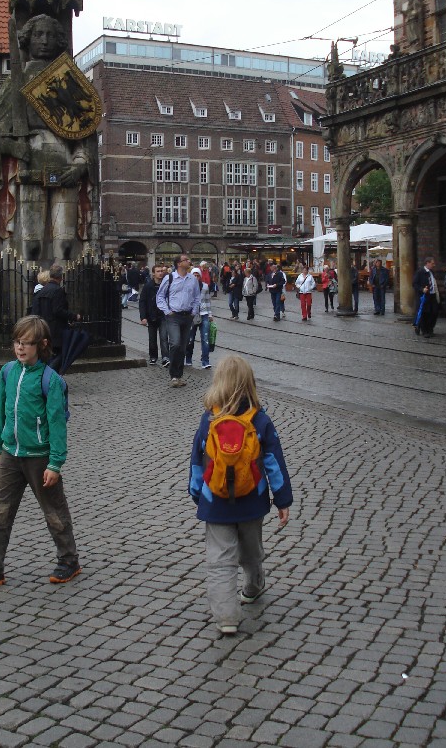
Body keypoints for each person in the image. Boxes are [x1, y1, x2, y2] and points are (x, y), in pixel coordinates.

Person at [0, 315, 80, 592]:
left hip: (40, 457)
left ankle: (69, 559)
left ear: (42, 345)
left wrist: (55, 463)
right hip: (10, 454)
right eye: (17, 342)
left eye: (27, 343)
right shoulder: (7, 372)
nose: (20, 348)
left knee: (54, 512)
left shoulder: (51, 381)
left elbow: (57, 423)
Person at [188, 355, 292, 635]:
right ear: (249, 383)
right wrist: (282, 500)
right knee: (252, 550)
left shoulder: (209, 418)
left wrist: (197, 492)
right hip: (252, 501)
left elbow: (198, 460)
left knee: (220, 561)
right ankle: (254, 586)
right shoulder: (259, 419)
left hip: (215, 502)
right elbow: (273, 461)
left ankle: (227, 617)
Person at [0, 14, 96, 263]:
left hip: (65, 168)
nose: (45, 41)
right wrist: (14, 147)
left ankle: (62, 286)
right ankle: (31, 288)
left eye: (50, 35)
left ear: (59, 41)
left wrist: (79, 167)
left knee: (66, 245)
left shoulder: (68, 82)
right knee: (32, 245)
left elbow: (83, 136)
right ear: (28, 40)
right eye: (38, 35)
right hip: (30, 170)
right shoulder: (18, 82)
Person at [156, 253, 200, 388]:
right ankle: (173, 375)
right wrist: (167, 311)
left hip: (187, 317)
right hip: (173, 316)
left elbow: (197, 297)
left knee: (183, 347)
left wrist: (193, 312)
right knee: (175, 343)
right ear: (179, 264)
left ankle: (178, 375)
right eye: (186, 260)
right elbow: (160, 296)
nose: (189, 261)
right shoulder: (169, 278)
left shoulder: (192, 279)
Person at [31, 263, 80, 365]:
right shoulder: (57, 290)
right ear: (61, 277)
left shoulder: (43, 290)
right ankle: (51, 375)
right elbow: (58, 310)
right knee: (59, 356)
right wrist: (74, 316)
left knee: (49, 355)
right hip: (56, 330)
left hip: (44, 328)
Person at [139, 263, 169, 365]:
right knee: (152, 338)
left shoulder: (166, 285)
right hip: (151, 315)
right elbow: (142, 301)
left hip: (163, 315)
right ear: (153, 273)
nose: (160, 273)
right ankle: (153, 356)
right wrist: (143, 317)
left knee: (164, 337)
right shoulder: (148, 286)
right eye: (158, 271)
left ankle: (165, 357)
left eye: (162, 271)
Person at [185, 267, 212, 370]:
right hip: (192, 314)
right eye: (194, 275)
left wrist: (210, 314)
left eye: (198, 275)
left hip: (204, 314)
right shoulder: (188, 286)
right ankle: (188, 358)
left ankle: (205, 361)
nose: (196, 277)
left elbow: (207, 301)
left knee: (205, 339)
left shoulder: (205, 286)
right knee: (190, 339)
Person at [413, 256, 440, 338]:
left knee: (433, 313)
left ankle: (430, 329)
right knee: (425, 313)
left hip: (432, 295)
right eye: (432, 263)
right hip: (424, 297)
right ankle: (425, 330)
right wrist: (422, 289)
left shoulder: (431, 272)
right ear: (427, 263)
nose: (434, 265)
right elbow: (414, 284)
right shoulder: (420, 272)